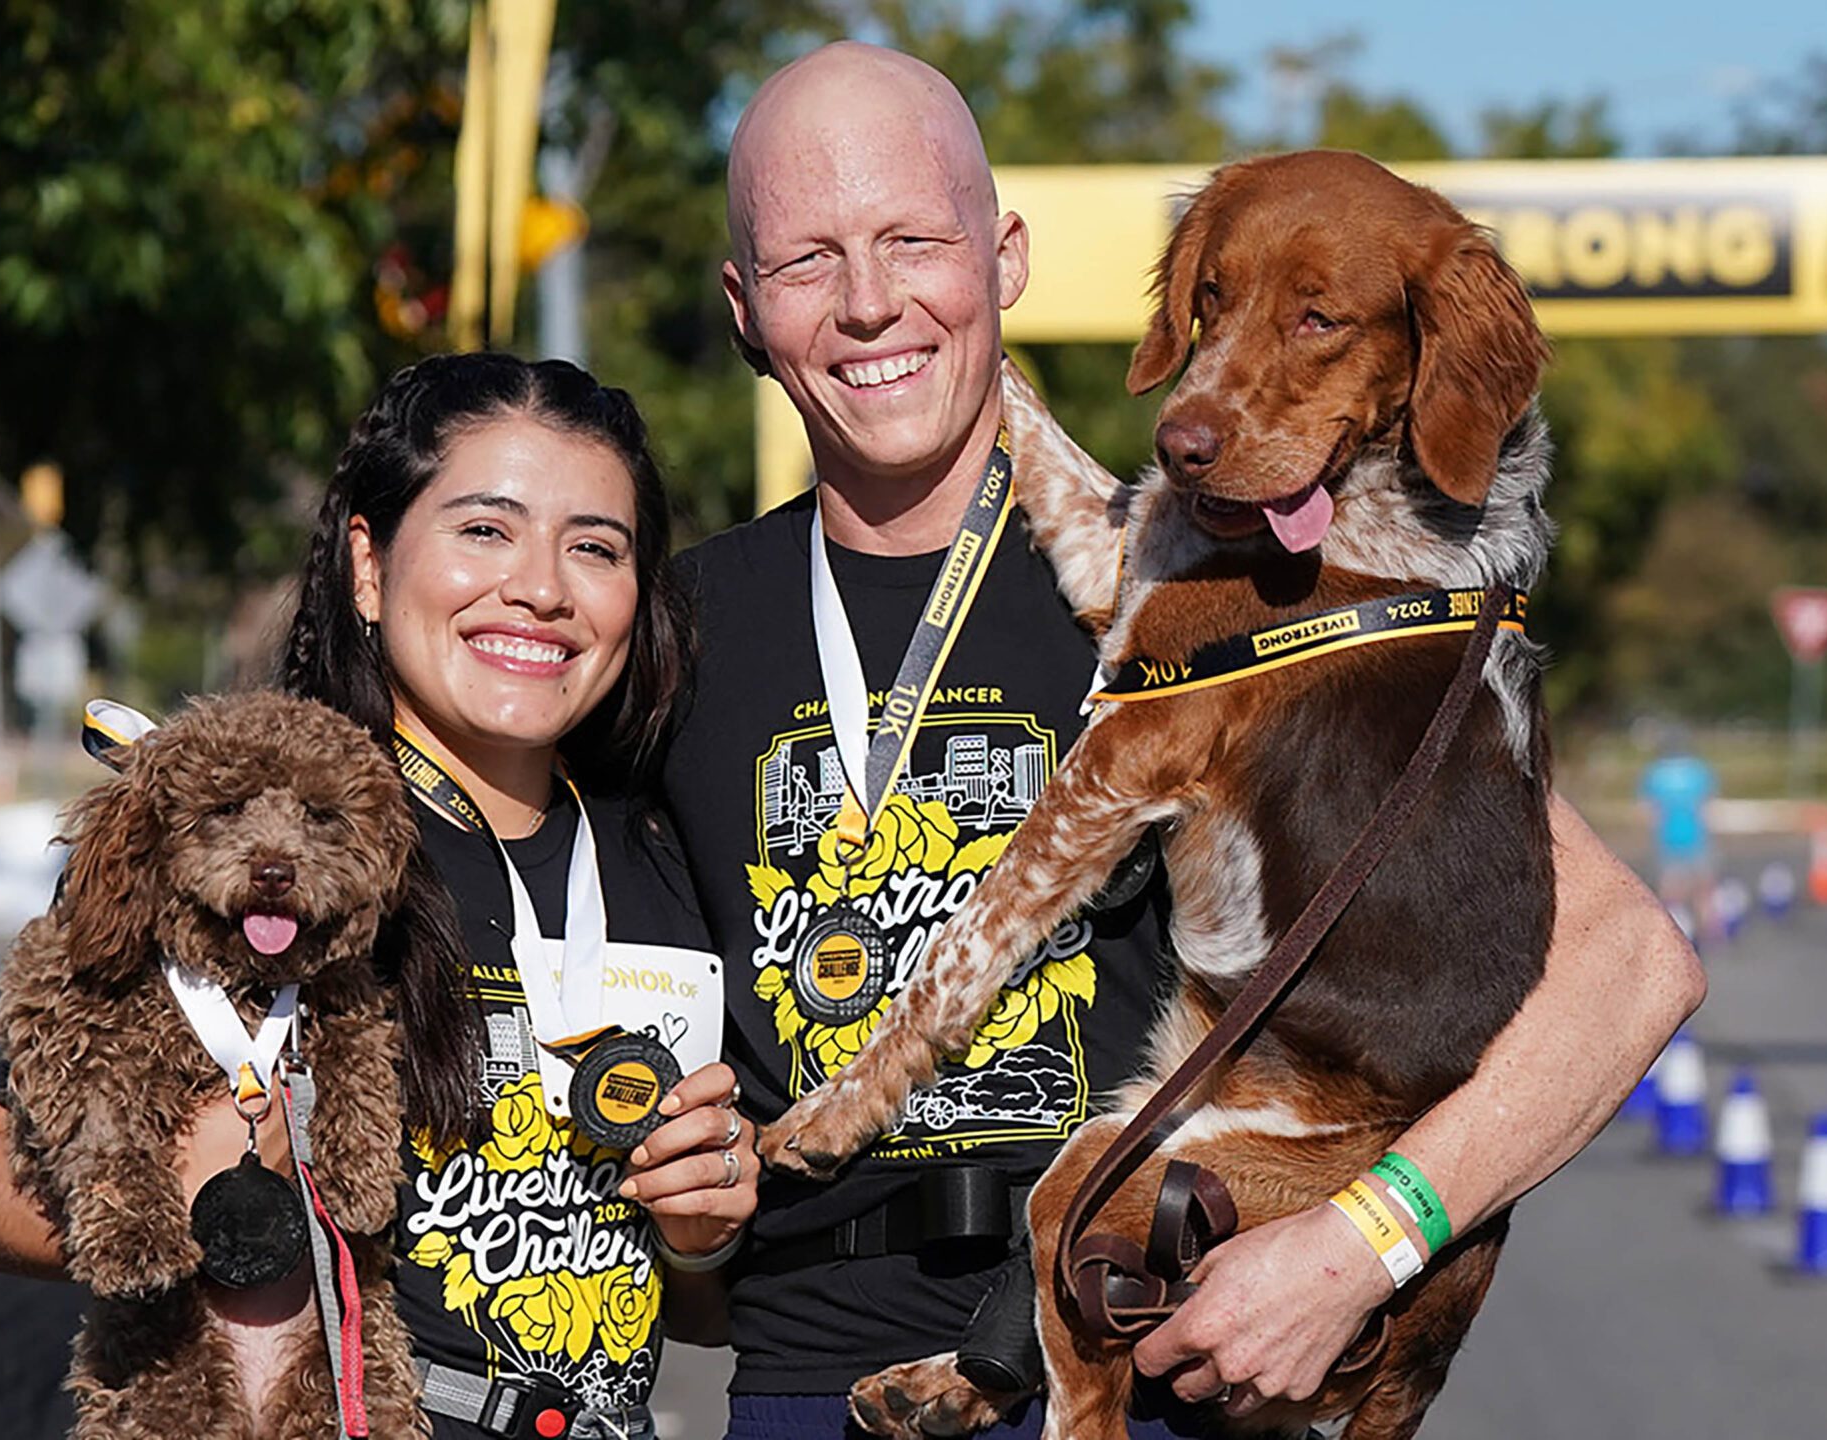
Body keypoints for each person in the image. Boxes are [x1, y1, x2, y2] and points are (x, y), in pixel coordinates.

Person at [663, 41, 1707, 1438]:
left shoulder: (1226, 595)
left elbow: (1630, 969)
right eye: (806, 262)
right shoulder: (661, 633)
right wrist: (684, 1220)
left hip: (1158, 1361)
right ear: (744, 303)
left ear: (1005, 257)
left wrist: (1359, 1252)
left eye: (912, 240)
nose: (867, 305)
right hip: (805, 1384)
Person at [0, 353, 759, 1440]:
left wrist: (702, 1234)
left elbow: (687, 1306)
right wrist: (215, 1205)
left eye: (594, 547)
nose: (543, 587)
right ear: (367, 565)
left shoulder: (664, 855)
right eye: (484, 531)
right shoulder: (253, 846)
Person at [1639, 726, 1718, 917]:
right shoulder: (1698, 770)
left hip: (1668, 837)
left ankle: (1673, 931)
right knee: (1704, 889)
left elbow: (1649, 811)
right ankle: (1713, 933)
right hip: (1697, 835)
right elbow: (1708, 807)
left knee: (1671, 891)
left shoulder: (1654, 773)